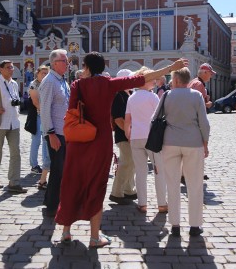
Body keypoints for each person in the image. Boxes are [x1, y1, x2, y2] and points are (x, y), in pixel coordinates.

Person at [56, 52, 186, 248]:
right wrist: (170, 68)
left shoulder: (77, 85)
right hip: (100, 141)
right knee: (97, 185)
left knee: (72, 181)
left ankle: (66, 231)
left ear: (87, 67)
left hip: (78, 140)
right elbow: (141, 78)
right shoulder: (109, 84)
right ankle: (94, 237)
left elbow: (72, 110)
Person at [160, 67, 209, 237]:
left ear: (175, 80)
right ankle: (195, 226)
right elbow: (204, 122)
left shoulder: (167, 95)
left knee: (172, 184)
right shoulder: (196, 96)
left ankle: (175, 225)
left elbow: (156, 118)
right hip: (193, 142)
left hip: (170, 142)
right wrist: (205, 143)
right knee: (194, 185)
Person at [125, 67, 167, 214]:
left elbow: (127, 120)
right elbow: (161, 117)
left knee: (140, 172)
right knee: (158, 170)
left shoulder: (132, 97)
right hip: (152, 139)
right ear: (146, 81)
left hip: (136, 137)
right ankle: (162, 203)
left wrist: (128, 134)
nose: (155, 81)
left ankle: (142, 204)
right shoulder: (153, 97)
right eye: (153, 79)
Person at [0, 60, 26, 194]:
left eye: (12, 67)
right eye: (8, 67)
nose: (11, 69)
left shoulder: (14, 84)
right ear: (0, 69)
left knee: (16, 152)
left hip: (14, 122)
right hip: (0, 122)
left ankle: (14, 182)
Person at [38, 50, 70, 218]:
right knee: (57, 169)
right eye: (64, 61)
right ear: (54, 63)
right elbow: (44, 110)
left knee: (60, 169)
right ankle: (52, 206)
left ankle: (51, 200)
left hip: (64, 131)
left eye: (66, 61)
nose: (67, 63)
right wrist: (51, 134)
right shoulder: (49, 81)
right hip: (56, 132)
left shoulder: (61, 80)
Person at [109, 68, 137, 205]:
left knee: (131, 163)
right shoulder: (118, 95)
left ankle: (128, 190)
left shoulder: (128, 94)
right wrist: (129, 132)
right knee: (126, 163)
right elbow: (118, 119)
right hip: (124, 135)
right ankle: (116, 193)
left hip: (128, 134)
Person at [28, 65, 50, 188]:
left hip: (46, 117)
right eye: (42, 73)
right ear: (37, 73)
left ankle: (45, 164)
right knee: (36, 140)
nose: (44, 75)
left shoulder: (49, 83)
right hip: (38, 117)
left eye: (46, 73)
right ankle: (34, 164)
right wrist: (45, 112)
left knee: (46, 141)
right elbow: (35, 102)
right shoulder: (34, 84)